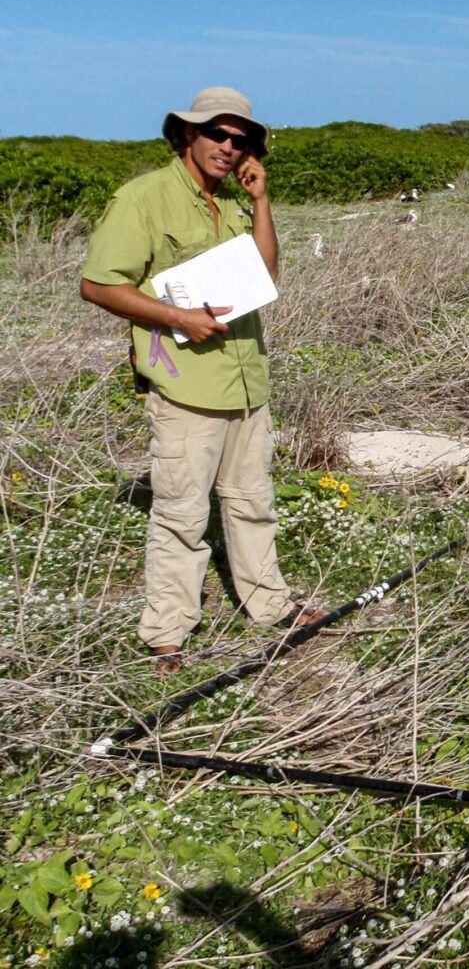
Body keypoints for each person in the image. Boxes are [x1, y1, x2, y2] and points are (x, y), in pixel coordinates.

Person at [80, 87, 321, 674]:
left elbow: (265, 271)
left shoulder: (235, 201)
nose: (229, 147)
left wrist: (261, 201)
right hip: (184, 380)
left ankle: (269, 604)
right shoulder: (144, 198)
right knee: (183, 513)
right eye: (217, 133)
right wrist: (177, 317)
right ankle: (167, 632)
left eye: (241, 139)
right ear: (186, 135)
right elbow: (98, 284)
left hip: (244, 379)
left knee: (252, 500)